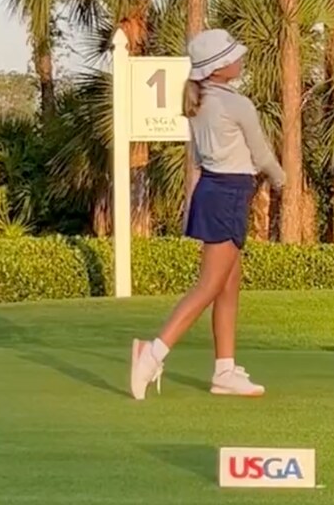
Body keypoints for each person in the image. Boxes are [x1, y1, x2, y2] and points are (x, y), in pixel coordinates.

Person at [130, 29, 286, 401]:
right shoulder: (236, 105)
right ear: (218, 68)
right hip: (229, 191)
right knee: (211, 285)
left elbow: (199, 158)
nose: (240, 60)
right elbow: (262, 154)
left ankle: (225, 370)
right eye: (234, 57)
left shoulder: (201, 102)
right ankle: (152, 354)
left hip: (215, 190)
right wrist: (283, 180)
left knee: (229, 284)